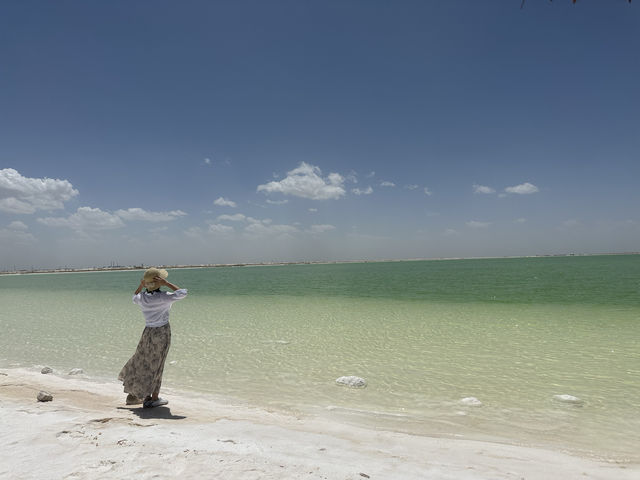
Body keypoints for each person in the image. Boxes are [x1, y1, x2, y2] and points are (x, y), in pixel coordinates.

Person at [118, 267, 187, 408]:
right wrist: (166, 283)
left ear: (146, 283)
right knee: (158, 364)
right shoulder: (164, 297)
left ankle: (146, 396)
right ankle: (153, 398)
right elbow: (182, 293)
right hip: (161, 332)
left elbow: (134, 297)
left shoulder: (142, 298)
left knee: (145, 362)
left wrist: (141, 286)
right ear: (159, 282)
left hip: (147, 332)